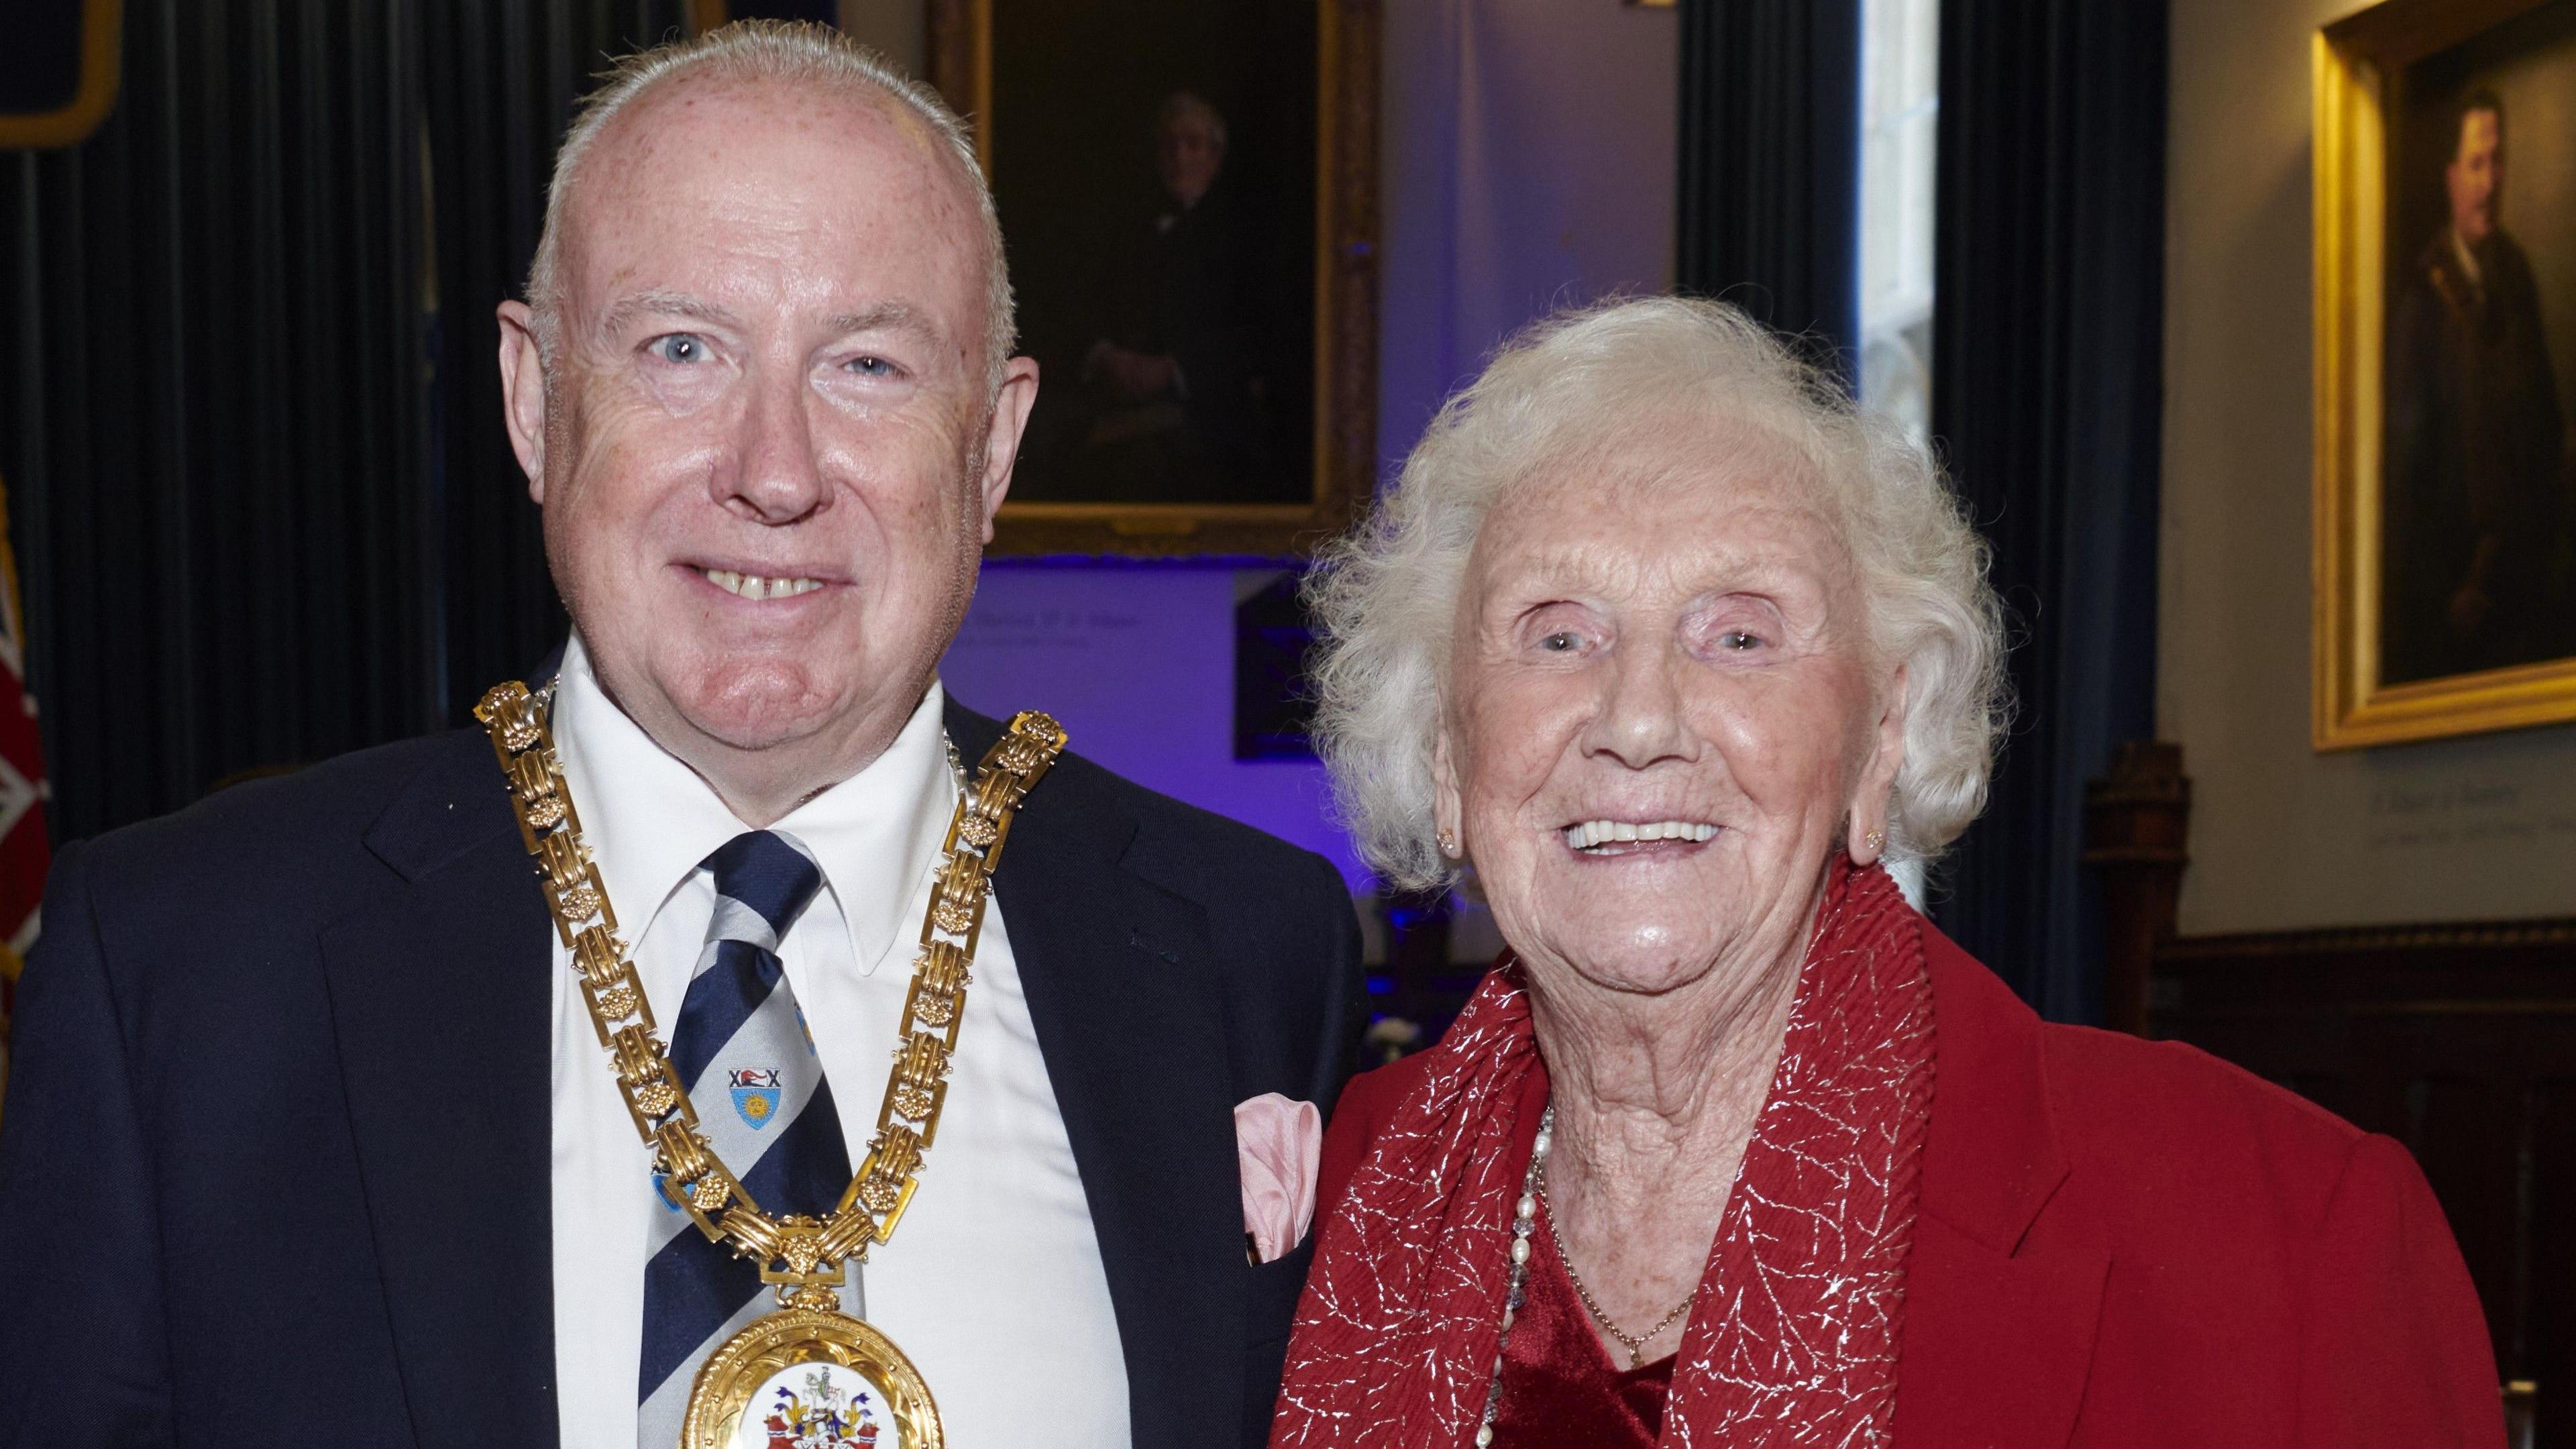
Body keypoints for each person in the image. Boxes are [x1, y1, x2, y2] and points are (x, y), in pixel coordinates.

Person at [0, 23, 1360, 1449]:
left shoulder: (1244, 954)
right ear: (534, 401)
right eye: (682, 348)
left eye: (870, 366)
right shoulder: (183, 973)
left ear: (995, 446)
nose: (773, 471)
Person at [1270, 297, 2503, 1446]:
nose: (1637, 719)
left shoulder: (2288, 1237)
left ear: (1884, 739)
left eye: (1741, 633)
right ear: (1446, 755)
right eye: (1557, 633)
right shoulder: (1333, 1201)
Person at [2385, 87, 2569, 682]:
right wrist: (2449, 588)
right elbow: (2410, 478)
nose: (2490, 184)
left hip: (2523, 581)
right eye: (2476, 166)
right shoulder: (2421, 301)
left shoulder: (2514, 276)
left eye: (2498, 162)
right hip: (2454, 599)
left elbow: (2542, 423)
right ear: (2448, 175)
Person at [1069, 91, 1277, 502]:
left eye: (1193, 145)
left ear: (1215, 159)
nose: (1181, 156)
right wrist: (1108, 356)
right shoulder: (1126, 231)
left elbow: (1256, 337)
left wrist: (1172, 371)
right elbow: (1088, 308)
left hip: (1208, 415)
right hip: (1119, 409)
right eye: (1171, 145)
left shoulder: (1244, 238)